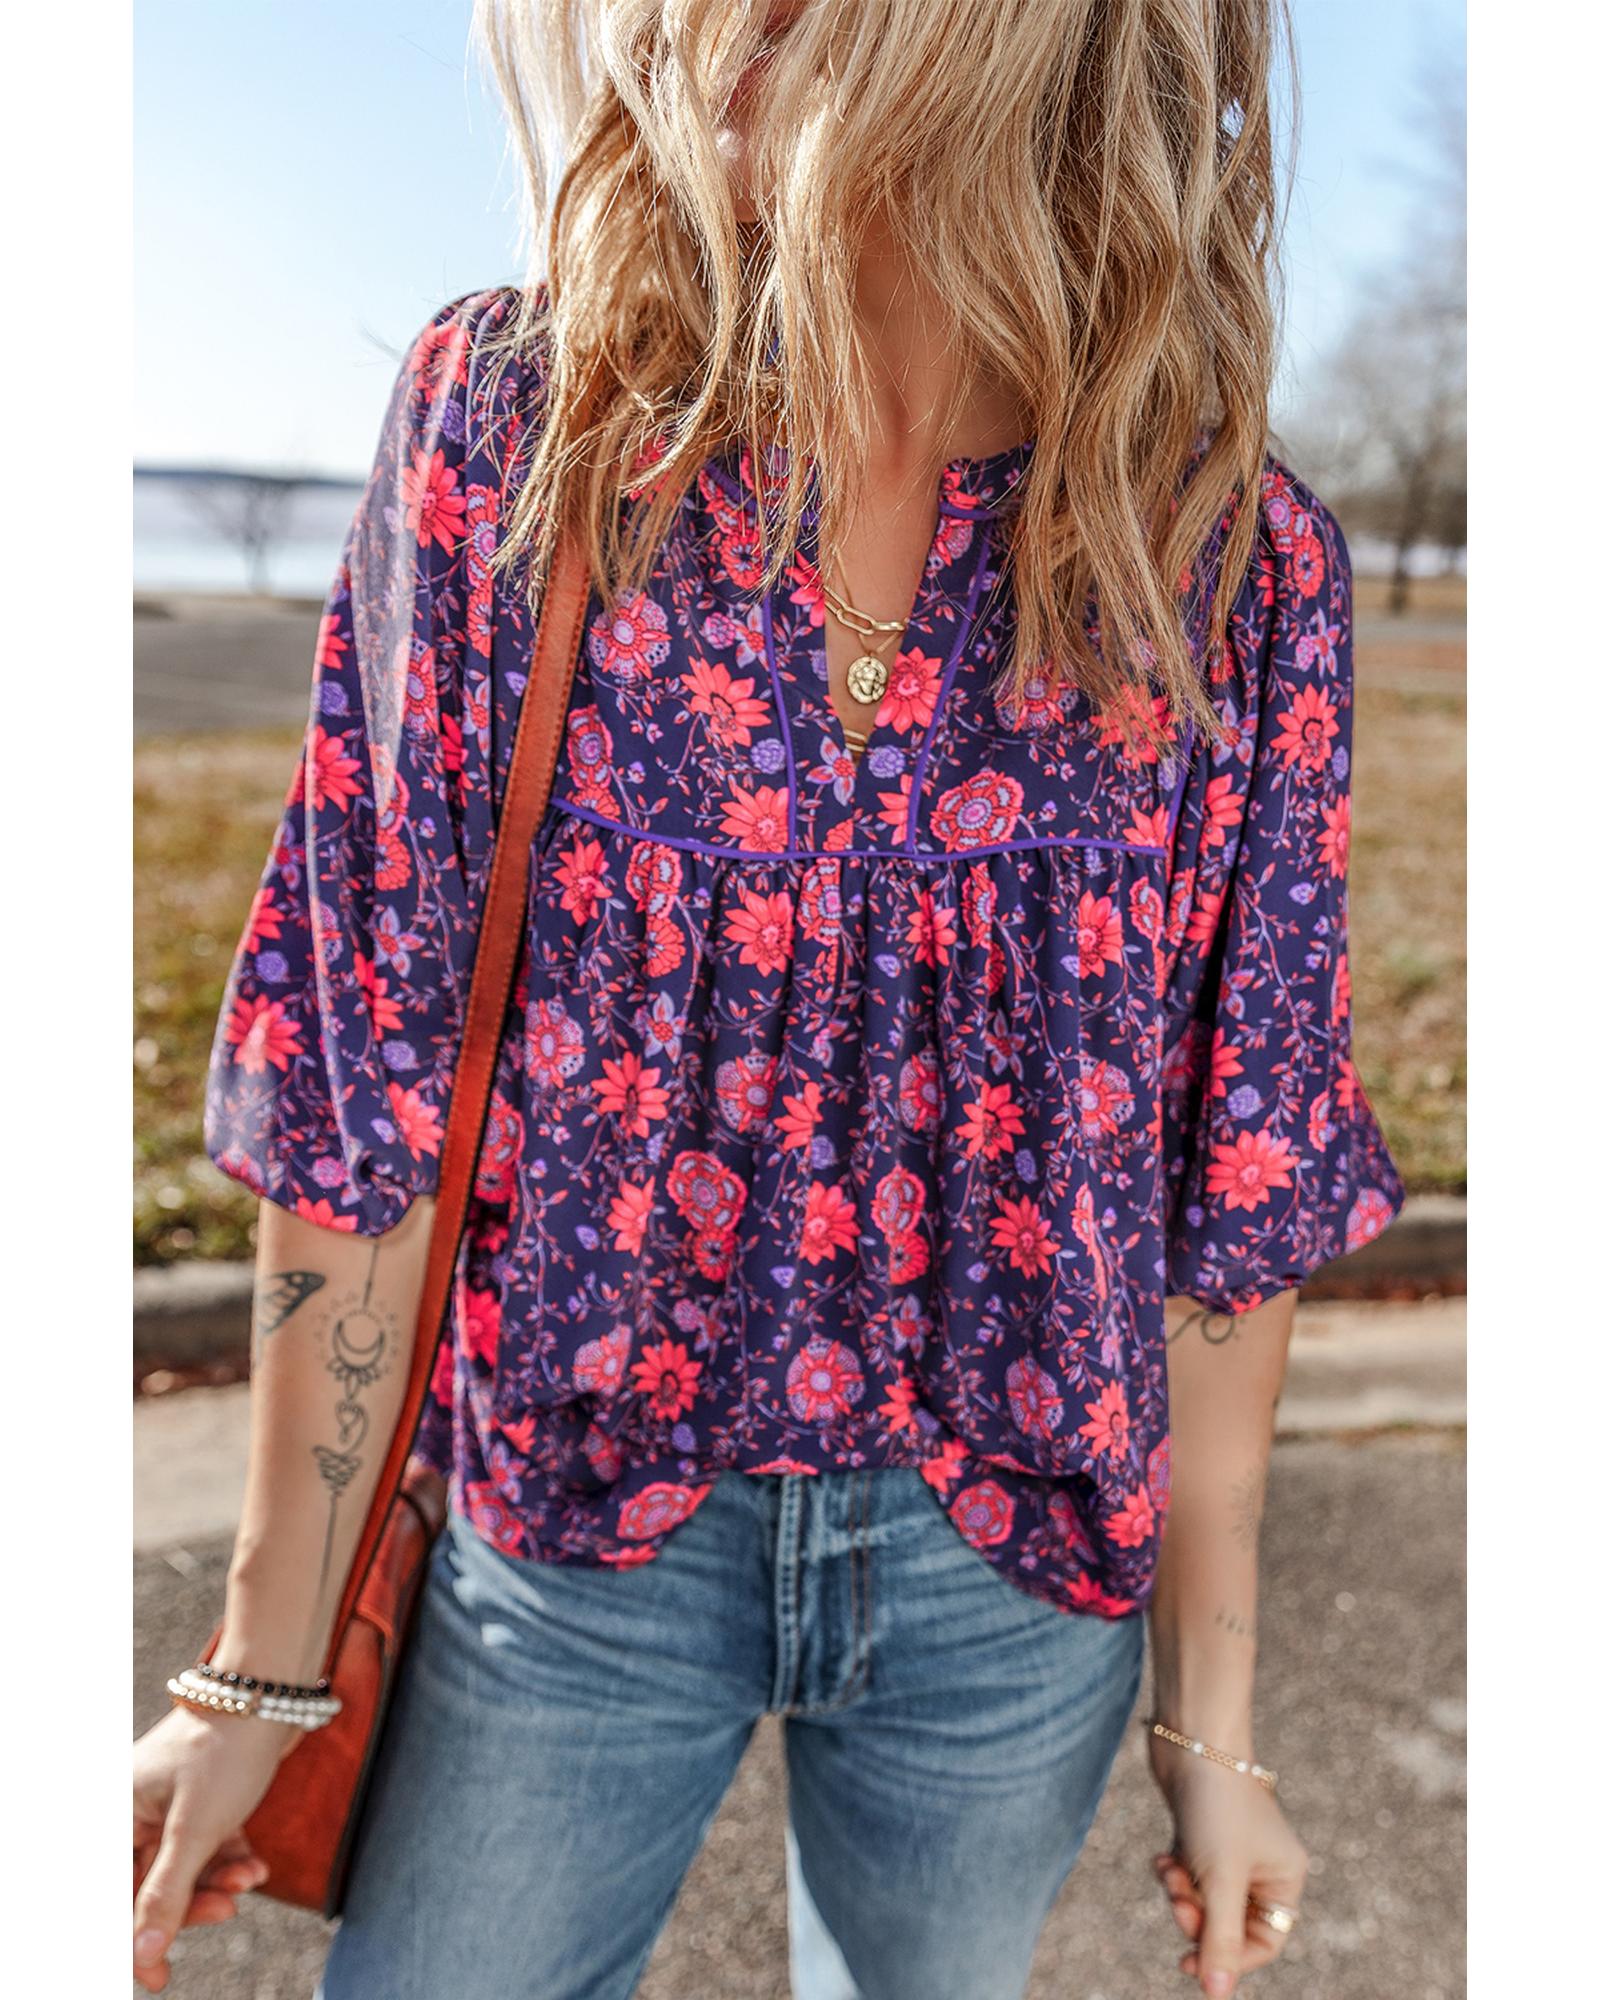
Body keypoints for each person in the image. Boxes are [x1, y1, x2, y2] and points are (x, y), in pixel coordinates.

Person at [132, 3, 1405, 1995]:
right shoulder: (526, 438)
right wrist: (256, 1670)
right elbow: (364, 1072)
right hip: (570, 1554)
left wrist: (1213, 1735)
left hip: (1007, 1593)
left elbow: (1228, 1195)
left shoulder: (1223, 567)